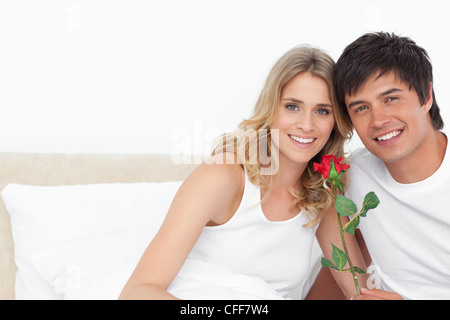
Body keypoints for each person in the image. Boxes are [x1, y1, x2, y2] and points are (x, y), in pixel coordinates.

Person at [119, 45, 366, 300]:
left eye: (322, 111)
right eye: (292, 106)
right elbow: (137, 292)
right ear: (271, 109)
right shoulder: (224, 176)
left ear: (336, 121)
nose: (306, 124)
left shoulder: (322, 195)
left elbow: (360, 290)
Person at [333, 32, 449, 300]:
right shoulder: (353, 174)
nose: (379, 120)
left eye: (391, 98)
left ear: (426, 96)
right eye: (361, 108)